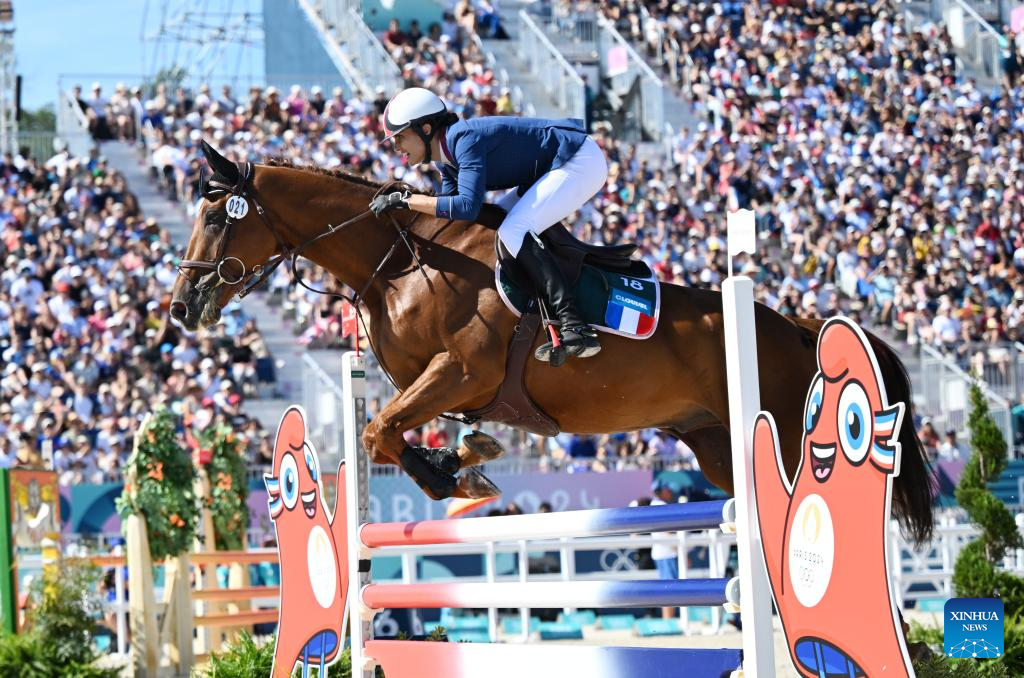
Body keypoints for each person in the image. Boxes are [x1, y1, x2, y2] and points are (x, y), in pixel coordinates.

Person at [369, 87, 608, 363]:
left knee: (513, 230)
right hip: (552, 167)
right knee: (496, 226)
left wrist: (408, 200)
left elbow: (467, 207)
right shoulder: (445, 161)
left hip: (579, 160)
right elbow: (452, 215)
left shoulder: (463, 139)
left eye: (400, 137)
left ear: (425, 128)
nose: (396, 147)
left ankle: (573, 322)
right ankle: (545, 318)